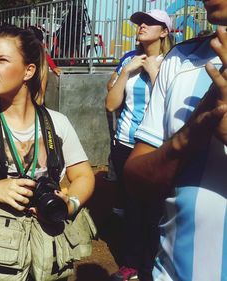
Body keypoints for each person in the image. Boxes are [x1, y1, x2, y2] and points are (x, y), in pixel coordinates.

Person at [0, 25, 95, 280]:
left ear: (29, 70)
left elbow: (83, 175)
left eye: (2, 60)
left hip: (47, 248)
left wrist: (71, 204)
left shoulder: (57, 123)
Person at [124, 0, 227, 280]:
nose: (141, 26)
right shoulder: (180, 60)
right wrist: (186, 137)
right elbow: (135, 179)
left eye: (149, 22)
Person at [104, 9, 173, 281]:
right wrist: (126, 72)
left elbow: (169, 105)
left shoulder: (172, 63)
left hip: (155, 147)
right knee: (131, 208)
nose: (142, 26)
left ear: (164, 31)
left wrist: (155, 73)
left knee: (155, 209)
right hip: (124, 144)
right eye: (139, 22)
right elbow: (111, 104)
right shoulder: (129, 61)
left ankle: (151, 265)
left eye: (150, 23)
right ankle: (131, 264)